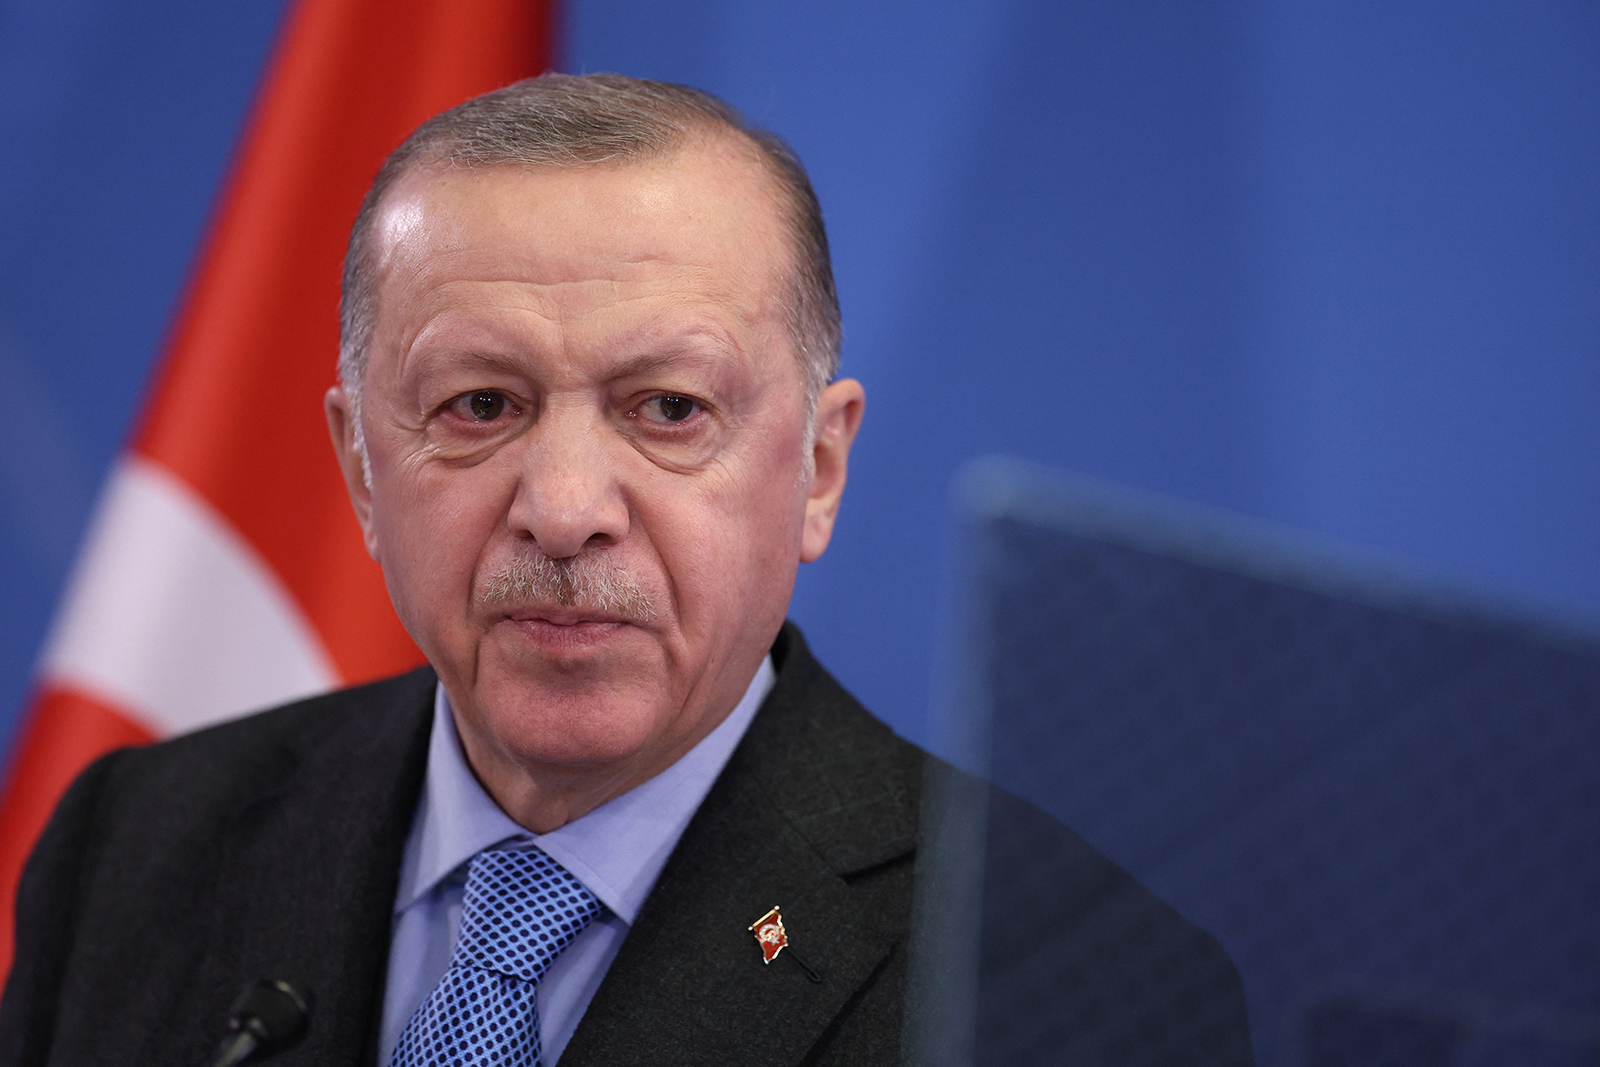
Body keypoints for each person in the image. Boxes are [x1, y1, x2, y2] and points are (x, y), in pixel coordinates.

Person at [0, 74, 1252, 1066]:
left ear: (817, 470)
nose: (561, 510)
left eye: (665, 408)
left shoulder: (1056, 986)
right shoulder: (140, 843)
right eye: (480, 402)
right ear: (362, 468)